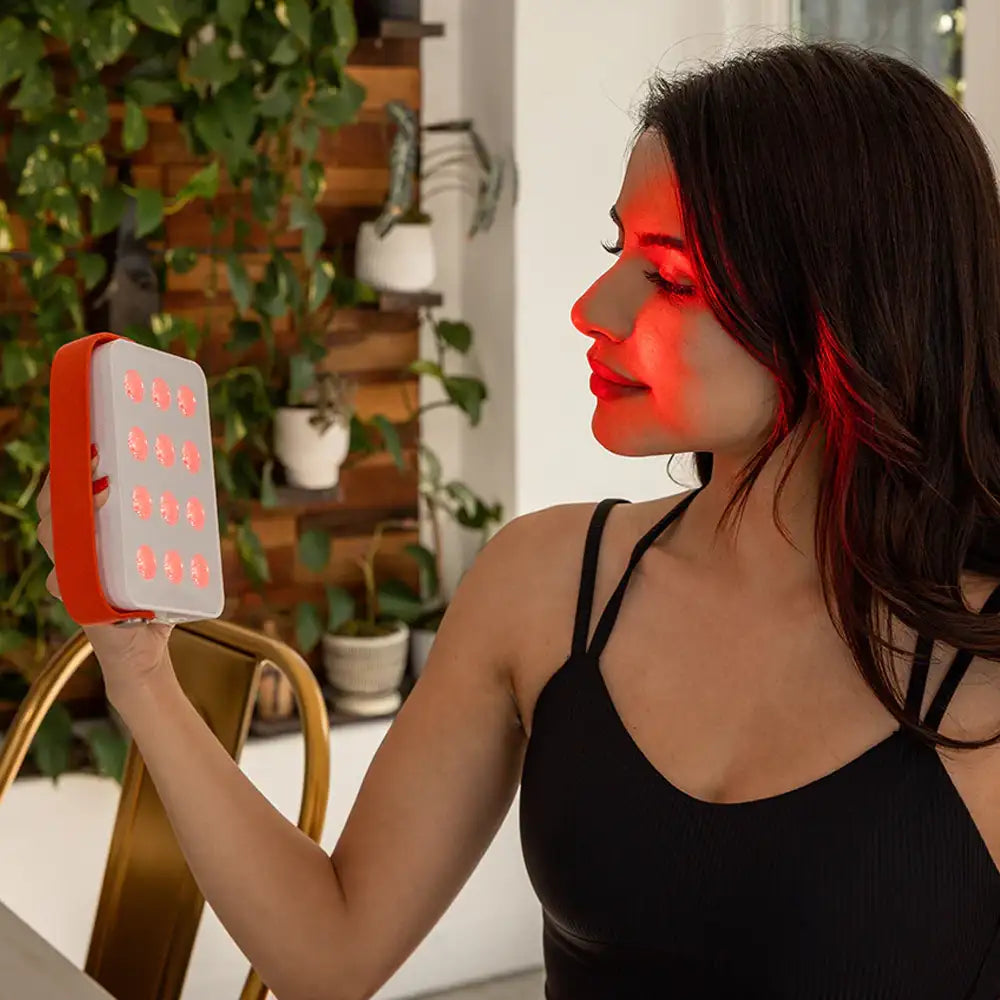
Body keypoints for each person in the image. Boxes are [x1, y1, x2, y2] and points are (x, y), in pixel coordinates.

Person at [33, 39, 1000, 999]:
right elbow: (328, 953)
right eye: (618, 249)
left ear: (851, 305)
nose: (593, 307)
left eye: (669, 276)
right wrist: (138, 665)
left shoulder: (984, 670)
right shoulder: (547, 583)